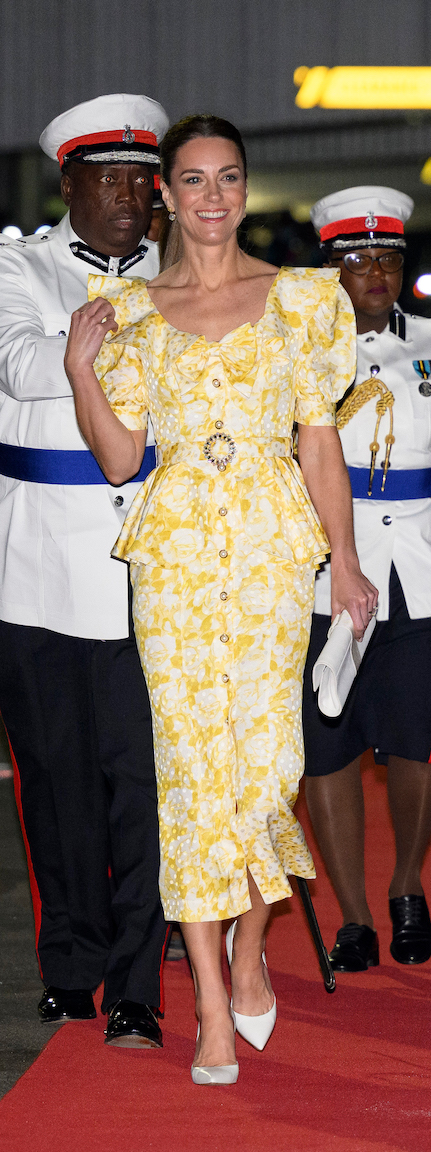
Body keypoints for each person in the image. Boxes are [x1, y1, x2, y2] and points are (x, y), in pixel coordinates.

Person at [63, 114, 375, 1085]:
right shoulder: (132, 309)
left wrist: (349, 563)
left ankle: (251, 942)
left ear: (246, 188)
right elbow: (121, 455)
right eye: (191, 181)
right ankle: (205, 1000)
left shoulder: (304, 302)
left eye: (227, 179)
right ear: (165, 193)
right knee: (190, 775)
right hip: (177, 559)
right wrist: (81, 368)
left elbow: (318, 441)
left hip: (274, 551)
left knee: (271, 763)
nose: (210, 198)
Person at [0, 94, 170, 1047]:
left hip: (151, 566)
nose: (127, 199)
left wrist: (96, 355)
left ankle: (138, 982)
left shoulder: (186, 273)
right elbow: (23, 365)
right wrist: (120, 353)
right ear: (67, 182)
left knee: (144, 783)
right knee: (55, 782)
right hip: (37, 572)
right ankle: (70, 963)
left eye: (141, 182)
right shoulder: (16, 264)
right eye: (107, 180)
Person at [302, 187, 431, 972]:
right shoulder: (296, 347)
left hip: (425, 573)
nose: (376, 272)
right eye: (358, 258)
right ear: (329, 267)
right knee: (327, 745)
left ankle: (406, 884)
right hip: (327, 575)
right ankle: (356, 914)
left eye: (389, 257)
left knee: (418, 742)